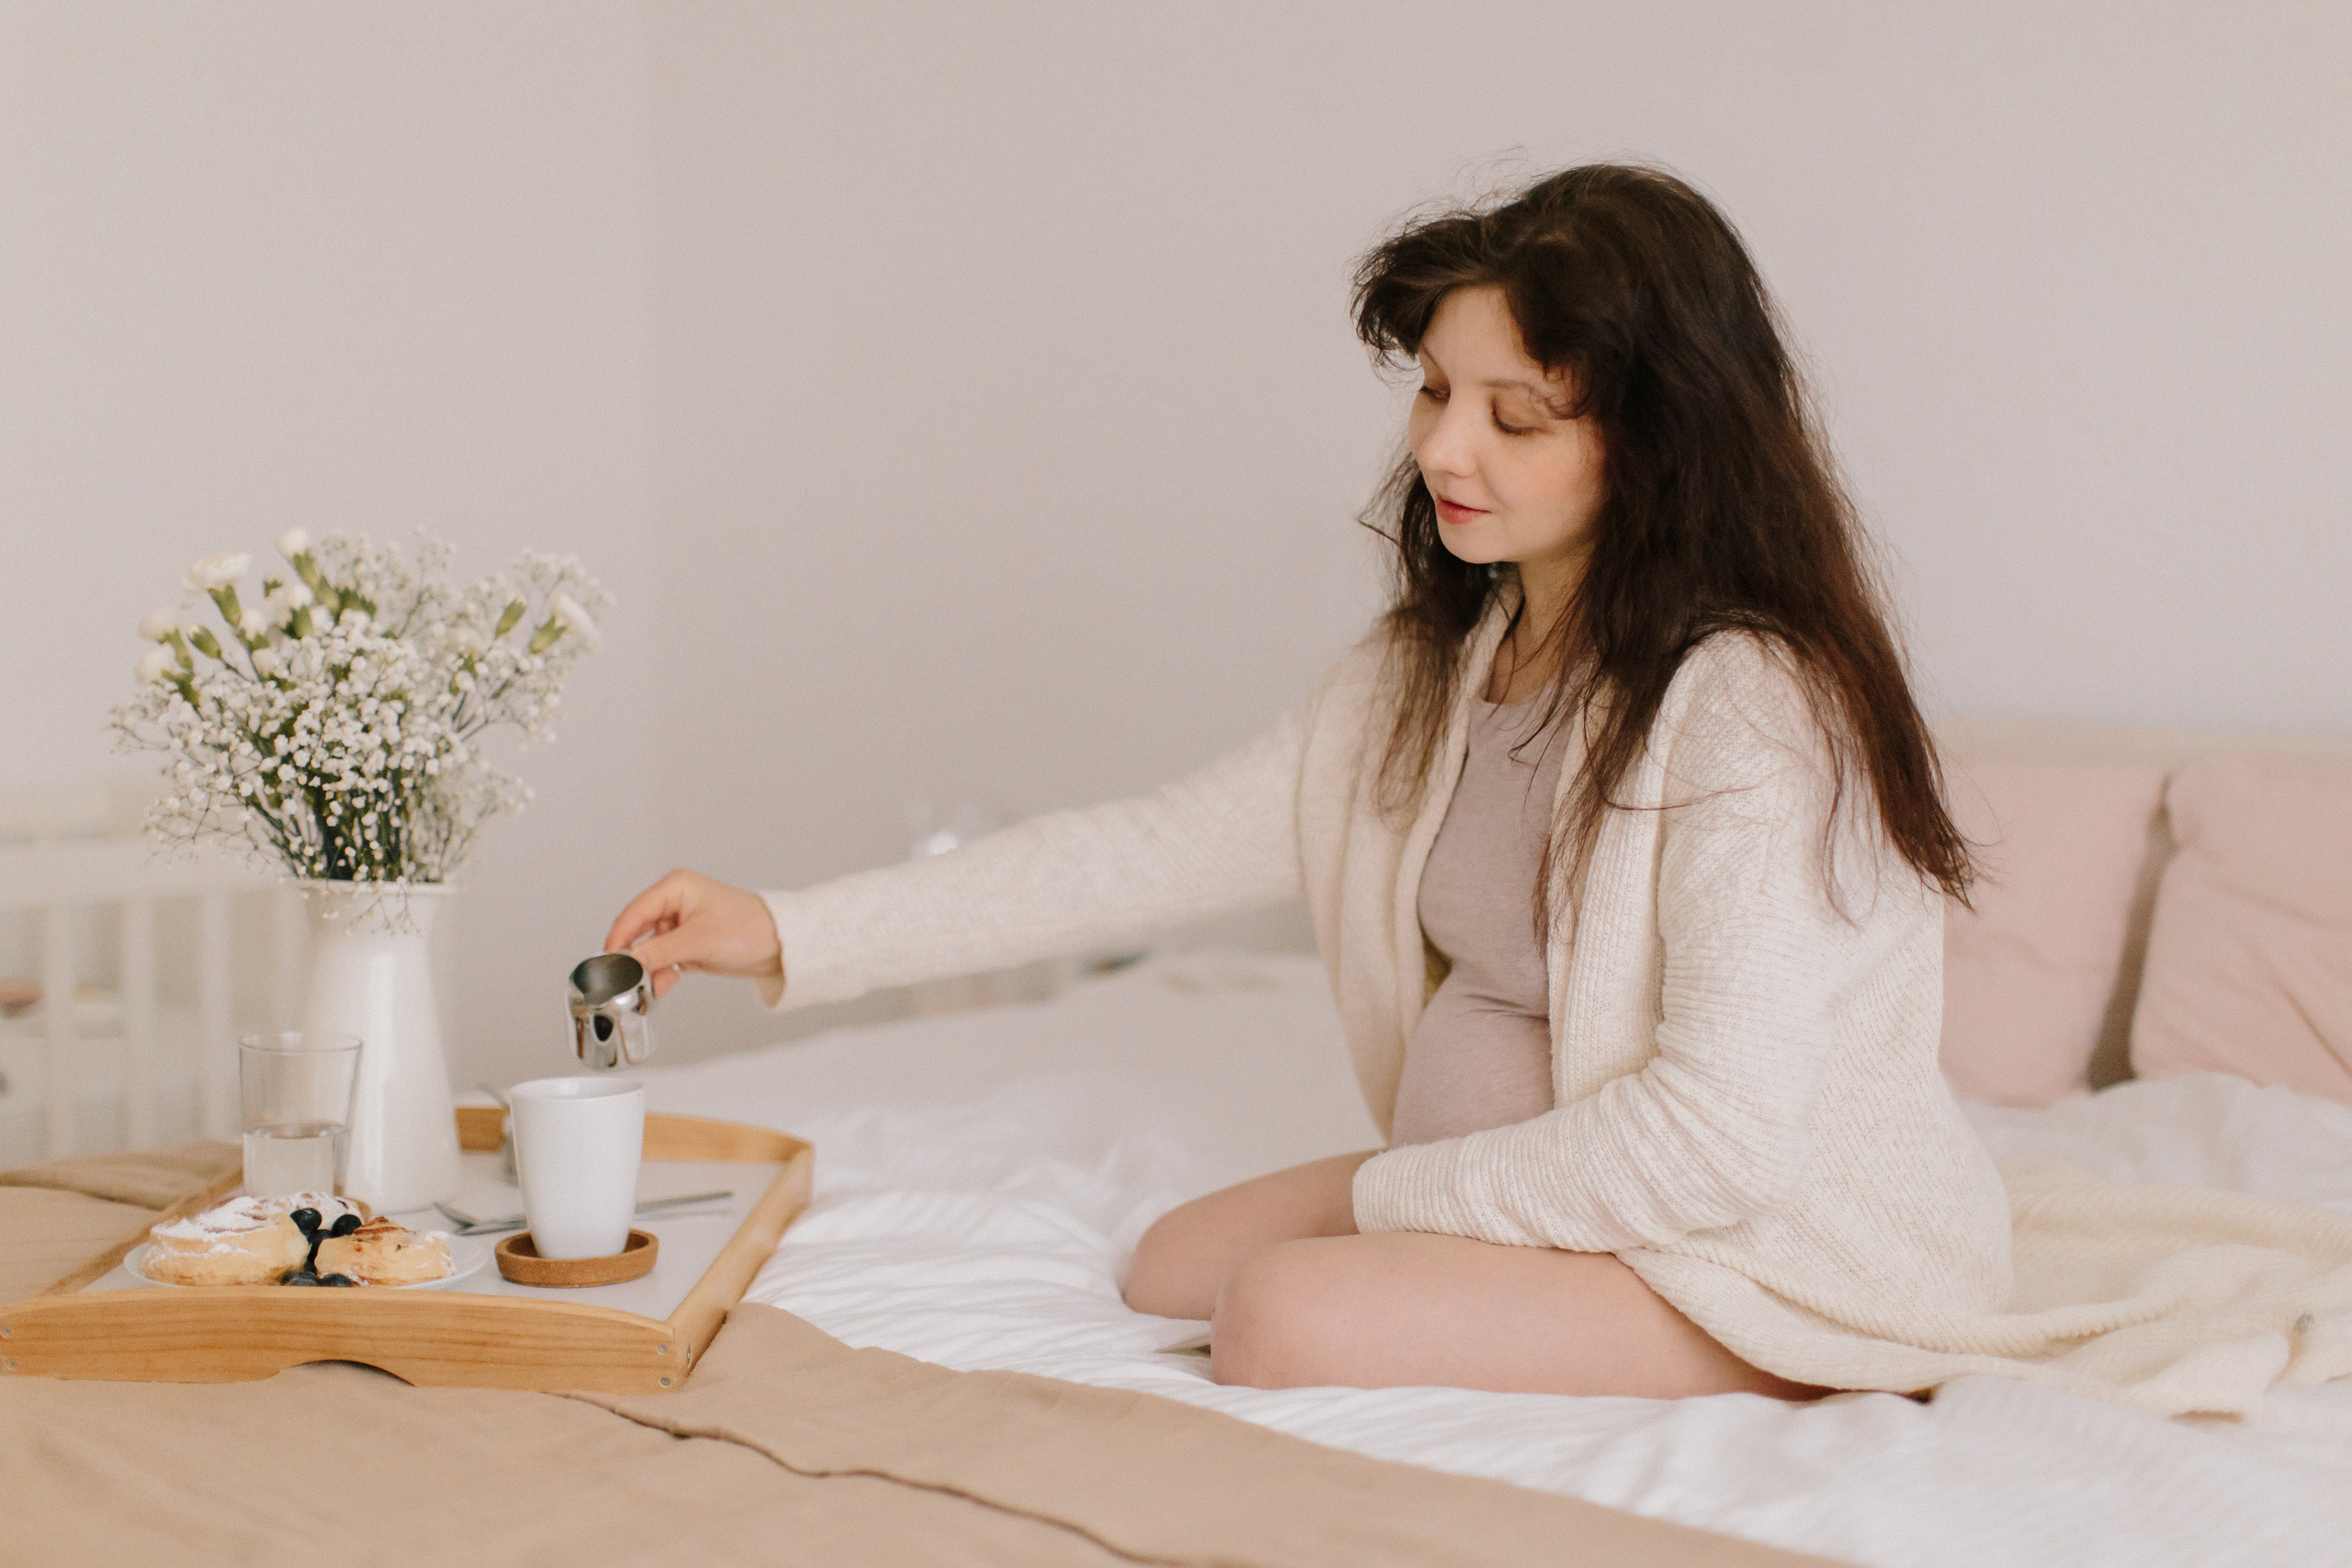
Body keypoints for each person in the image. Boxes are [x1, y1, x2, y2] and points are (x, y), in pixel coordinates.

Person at [604, 164, 2013, 1403]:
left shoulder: (1750, 708)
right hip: (1518, 1204)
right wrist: (786, 928)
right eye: (1437, 390)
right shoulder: (1443, 662)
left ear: (1655, 448)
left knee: (1276, 1311)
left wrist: (1388, 1194)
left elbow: (1716, 1143)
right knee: (1170, 1265)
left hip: (1743, 1252)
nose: (1443, 447)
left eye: (1513, 417)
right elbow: (1137, 856)